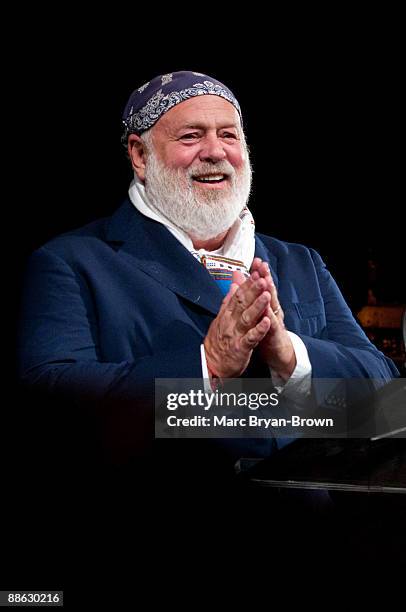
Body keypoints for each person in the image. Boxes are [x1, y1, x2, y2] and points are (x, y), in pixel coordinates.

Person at [18, 71, 398, 479]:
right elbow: (51, 406)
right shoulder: (72, 263)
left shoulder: (300, 263)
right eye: (190, 136)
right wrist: (208, 365)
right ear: (140, 156)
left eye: (229, 135)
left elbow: (386, 406)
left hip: (308, 533)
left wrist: (290, 357)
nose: (215, 151)